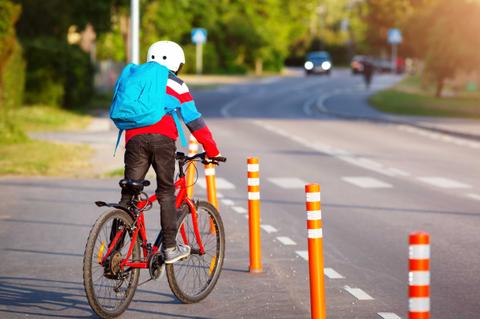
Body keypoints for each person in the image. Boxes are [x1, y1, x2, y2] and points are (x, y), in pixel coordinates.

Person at [118, 41, 221, 264]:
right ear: (176, 62)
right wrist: (211, 149)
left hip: (133, 140)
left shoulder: (137, 78)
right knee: (166, 192)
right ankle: (171, 248)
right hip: (162, 141)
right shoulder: (176, 83)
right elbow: (193, 119)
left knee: (129, 193)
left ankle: (115, 251)